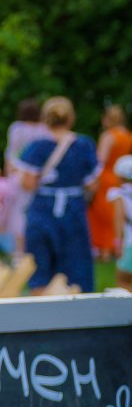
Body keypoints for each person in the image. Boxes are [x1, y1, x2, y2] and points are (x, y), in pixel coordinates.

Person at [14, 96, 100, 293]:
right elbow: (93, 184)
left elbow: (27, 183)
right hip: (73, 209)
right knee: (76, 264)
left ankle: (42, 316)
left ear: (46, 119)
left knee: (40, 264)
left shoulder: (37, 146)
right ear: (70, 118)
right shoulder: (84, 145)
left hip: (42, 209)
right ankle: (77, 313)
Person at [4, 98, 50, 258]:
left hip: (19, 173)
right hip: (39, 176)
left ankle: (19, 251)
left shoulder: (17, 128)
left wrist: (10, 175)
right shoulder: (44, 129)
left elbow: (11, 154)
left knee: (19, 213)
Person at [88, 105, 131, 259]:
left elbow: (101, 160)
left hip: (105, 177)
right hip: (121, 178)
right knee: (115, 214)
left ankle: (105, 251)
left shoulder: (108, 136)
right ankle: (115, 249)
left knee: (101, 215)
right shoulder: (127, 135)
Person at [107, 154, 132, 291]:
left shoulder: (118, 194)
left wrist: (118, 242)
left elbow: (119, 218)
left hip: (129, 242)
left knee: (124, 282)